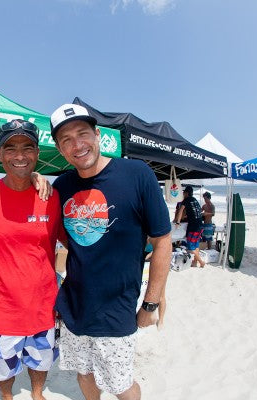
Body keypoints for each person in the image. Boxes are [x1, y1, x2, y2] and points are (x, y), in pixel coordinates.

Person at [50, 104, 172, 400]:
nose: (77, 145)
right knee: (84, 372)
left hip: (117, 309)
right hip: (73, 306)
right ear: (59, 149)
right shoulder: (62, 185)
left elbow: (163, 243)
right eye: (66, 140)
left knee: (121, 384)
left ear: (98, 135)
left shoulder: (137, 174)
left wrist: (151, 304)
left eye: (82, 133)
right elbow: (67, 241)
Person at [0, 119, 65, 400]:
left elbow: (73, 240)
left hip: (44, 304)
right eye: (11, 148)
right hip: (0, 307)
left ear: (37, 153)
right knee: (2, 368)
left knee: (41, 360)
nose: (19, 156)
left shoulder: (53, 196)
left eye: (27, 147)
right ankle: (7, 396)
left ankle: (36, 392)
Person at [175, 186, 205, 268]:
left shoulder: (186, 200)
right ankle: (194, 263)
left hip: (193, 227)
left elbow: (181, 210)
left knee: (191, 247)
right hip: (200, 225)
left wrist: (177, 222)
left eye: (184, 193)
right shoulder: (195, 200)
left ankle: (201, 262)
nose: (183, 194)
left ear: (187, 193)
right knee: (196, 245)